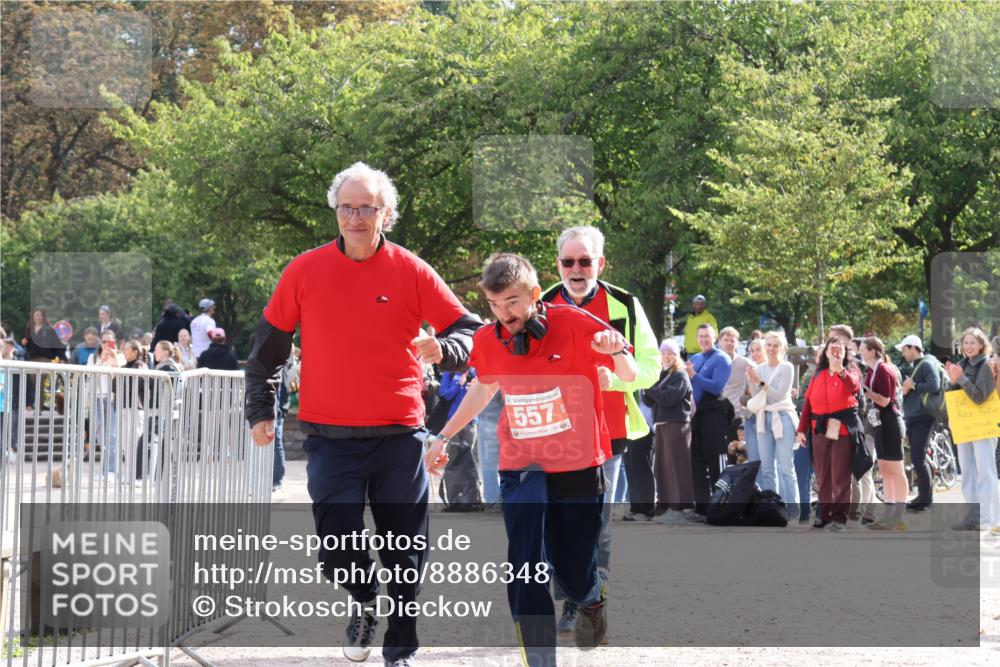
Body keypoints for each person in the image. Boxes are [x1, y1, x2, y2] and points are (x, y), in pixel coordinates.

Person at [245, 162, 481, 667]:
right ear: (336, 211)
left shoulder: (411, 270)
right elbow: (268, 347)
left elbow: (469, 328)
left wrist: (445, 348)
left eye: (367, 208)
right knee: (336, 541)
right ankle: (364, 599)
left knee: (404, 546)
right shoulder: (304, 271)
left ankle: (401, 647)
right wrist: (261, 409)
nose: (356, 217)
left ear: (386, 213)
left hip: (399, 432)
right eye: (348, 207)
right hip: (330, 436)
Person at [425, 253, 636, 665]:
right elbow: (483, 388)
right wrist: (443, 435)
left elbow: (628, 372)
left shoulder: (574, 323)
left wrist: (614, 352)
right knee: (526, 562)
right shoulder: (488, 339)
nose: (504, 314)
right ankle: (540, 659)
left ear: (535, 295)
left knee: (574, 570)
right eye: (495, 305)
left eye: (513, 303)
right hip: (521, 466)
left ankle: (590, 598)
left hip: (578, 463)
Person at [796, 336, 863, 531]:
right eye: (831, 349)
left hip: (842, 429)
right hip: (819, 429)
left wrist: (840, 370)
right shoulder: (817, 375)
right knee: (822, 474)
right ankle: (824, 515)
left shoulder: (851, 371)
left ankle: (840, 518)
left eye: (839, 349)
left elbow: (854, 387)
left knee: (840, 476)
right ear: (825, 352)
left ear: (844, 352)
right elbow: (808, 404)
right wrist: (801, 430)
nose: (835, 353)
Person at [945, 328, 998, 532]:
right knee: (967, 472)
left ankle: (989, 518)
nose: (968, 347)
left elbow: (979, 397)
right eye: (965, 343)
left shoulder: (986, 365)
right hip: (964, 425)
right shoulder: (961, 365)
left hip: (982, 426)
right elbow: (952, 396)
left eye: (972, 343)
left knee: (985, 472)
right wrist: (952, 381)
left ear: (981, 345)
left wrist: (961, 379)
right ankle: (973, 516)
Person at [747, 331, 799, 511]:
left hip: (782, 416)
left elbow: (778, 396)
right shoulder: (759, 369)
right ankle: (772, 510)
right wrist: (751, 381)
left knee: (786, 468)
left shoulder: (787, 367)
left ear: (782, 348)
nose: (771, 348)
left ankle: (793, 512)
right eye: (768, 345)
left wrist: (759, 382)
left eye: (775, 345)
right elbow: (757, 397)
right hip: (763, 417)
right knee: (767, 468)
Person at [643, 339, 694, 525]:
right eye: (663, 353)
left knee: (677, 466)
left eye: (670, 353)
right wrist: (647, 390)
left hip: (677, 424)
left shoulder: (680, 375)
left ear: (676, 355)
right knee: (663, 467)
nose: (666, 356)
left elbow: (668, 398)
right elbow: (650, 401)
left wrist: (650, 390)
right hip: (663, 424)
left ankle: (680, 507)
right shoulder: (662, 374)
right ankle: (665, 505)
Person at [686, 324, 733, 519]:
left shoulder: (722, 358)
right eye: (701, 336)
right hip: (695, 418)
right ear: (697, 338)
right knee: (695, 463)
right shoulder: (695, 358)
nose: (704, 339)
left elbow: (716, 387)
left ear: (714, 337)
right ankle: (702, 508)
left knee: (716, 463)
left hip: (713, 416)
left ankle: (720, 507)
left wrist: (694, 376)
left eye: (708, 336)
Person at [897, 335, 941, 512]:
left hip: (923, 417)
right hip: (915, 417)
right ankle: (924, 497)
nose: (902, 353)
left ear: (913, 348)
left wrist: (914, 385)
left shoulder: (927, 364)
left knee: (918, 457)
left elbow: (935, 385)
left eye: (904, 349)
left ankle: (925, 498)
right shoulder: (917, 365)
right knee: (918, 458)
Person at [436, 368, 483, 509]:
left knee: (469, 460)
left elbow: (484, 394)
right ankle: (456, 499)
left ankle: (472, 498)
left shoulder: (474, 371)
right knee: (453, 459)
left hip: (471, 421)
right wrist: (458, 383)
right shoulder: (449, 373)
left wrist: (475, 387)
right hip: (452, 423)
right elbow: (445, 395)